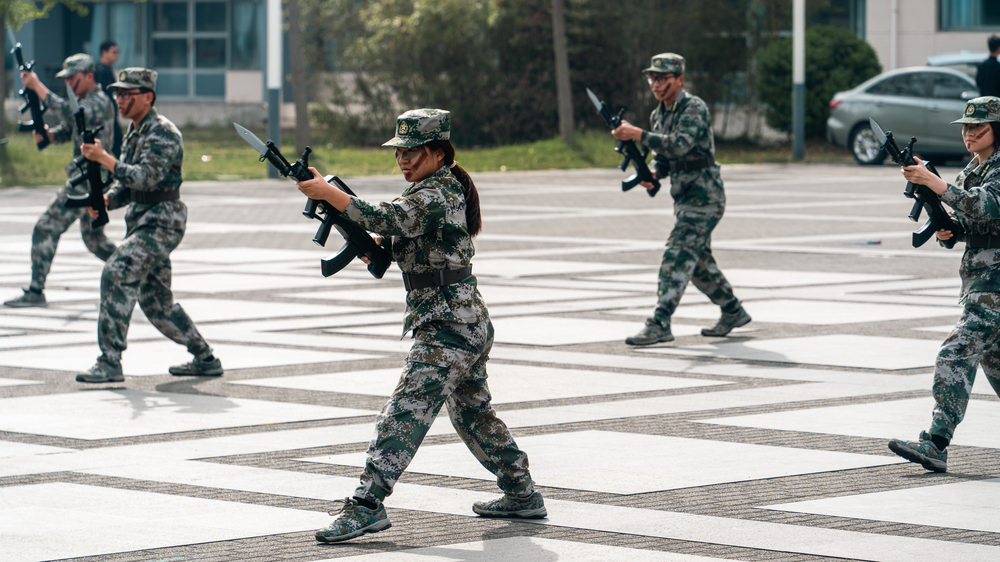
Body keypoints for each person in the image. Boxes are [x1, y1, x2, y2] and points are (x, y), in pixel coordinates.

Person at [296, 109, 546, 543]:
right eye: (399, 152)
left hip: (449, 327)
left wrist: (328, 194)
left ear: (438, 152)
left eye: (413, 151)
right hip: (463, 321)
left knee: (405, 411)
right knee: (472, 414)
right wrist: (371, 243)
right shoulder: (430, 191)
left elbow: (387, 216)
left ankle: (366, 504)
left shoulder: (437, 193)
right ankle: (521, 492)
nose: (404, 159)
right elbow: (399, 237)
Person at [75, 68, 222, 383]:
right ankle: (205, 357)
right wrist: (107, 200)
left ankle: (109, 362)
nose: (120, 99)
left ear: (148, 97)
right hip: (143, 221)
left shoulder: (163, 132)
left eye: (127, 94)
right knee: (156, 301)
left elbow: (145, 177)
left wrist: (104, 158)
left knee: (116, 271)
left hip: (162, 223)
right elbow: (128, 185)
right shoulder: (135, 130)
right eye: (118, 93)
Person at [890, 96, 1000, 472]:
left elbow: (985, 205)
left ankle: (936, 443)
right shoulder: (975, 168)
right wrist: (949, 229)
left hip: (994, 286)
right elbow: (972, 221)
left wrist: (934, 183)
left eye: (979, 127)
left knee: (955, 353)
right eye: (966, 127)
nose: (970, 133)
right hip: (981, 279)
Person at [611, 52, 750, 346]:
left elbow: (679, 145)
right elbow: (664, 158)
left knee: (676, 254)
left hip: (706, 197)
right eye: (653, 78)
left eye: (663, 78)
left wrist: (637, 133)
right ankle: (733, 310)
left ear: (680, 80)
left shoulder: (693, 107)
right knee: (697, 264)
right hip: (685, 199)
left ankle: (659, 322)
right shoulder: (658, 115)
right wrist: (652, 173)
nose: (656, 84)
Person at [3, 54, 117, 309]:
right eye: (65, 79)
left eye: (72, 78)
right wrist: (50, 136)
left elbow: (71, 112)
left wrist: (37, 86)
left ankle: (35, 291)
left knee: (46, 227)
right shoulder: (86, 103)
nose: (68, 84)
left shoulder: (100, 102)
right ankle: (140, 270)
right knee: (95, 242)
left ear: (89, 76)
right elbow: (72, 129)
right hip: (87, 179)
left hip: (89, 180)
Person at [94, 40, 123, 157]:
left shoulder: (107, 69)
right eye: (114, 52)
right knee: (117, 147)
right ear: (104, 52)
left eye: (118, 52)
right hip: (106, 117)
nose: (117, 55)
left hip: (110, 115)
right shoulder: (101, 71)